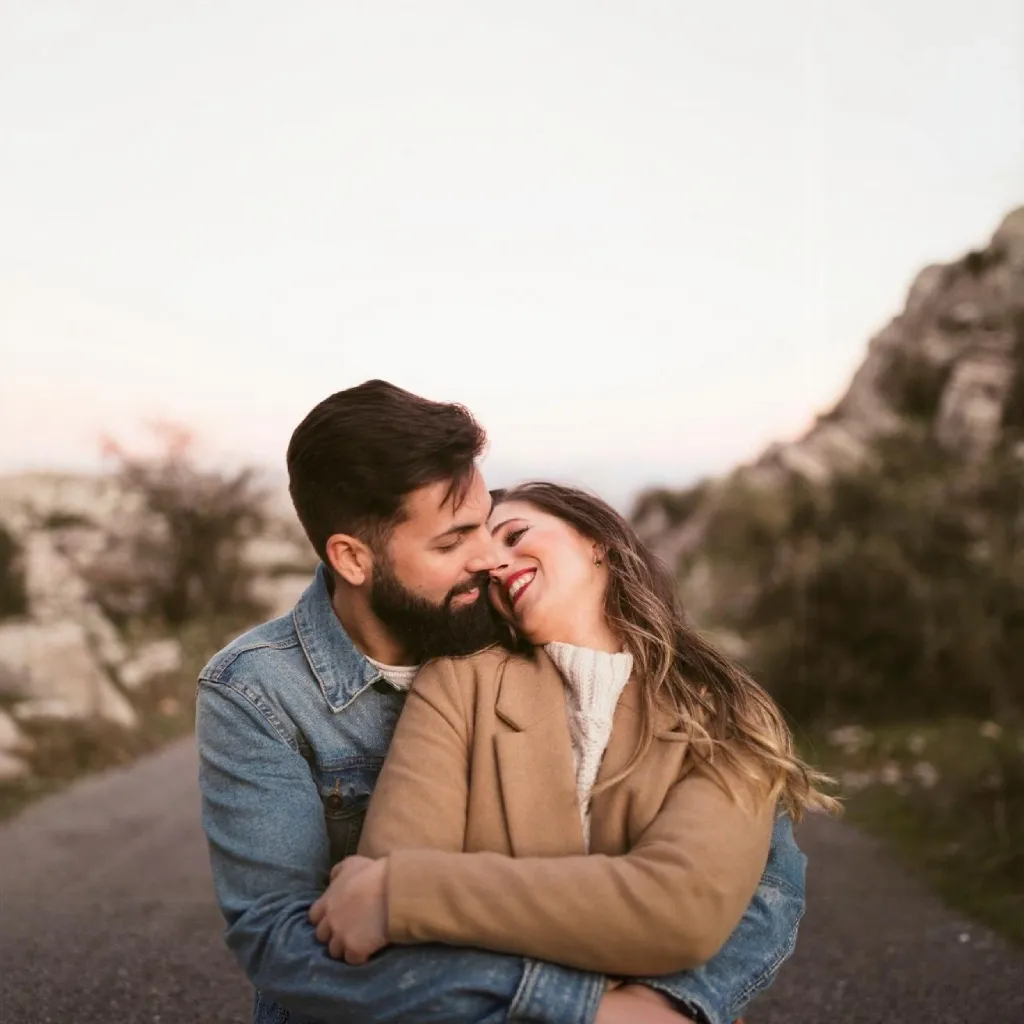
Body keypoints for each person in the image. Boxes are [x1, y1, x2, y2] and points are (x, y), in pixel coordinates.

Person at [196, 380, 815, 1024]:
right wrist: (597, 1009)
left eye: (501, 528)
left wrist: (678, 1003)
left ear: (598, 537)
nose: (491, 558)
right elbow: (288, 943)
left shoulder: (501, 628)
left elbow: (750, 877)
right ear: (353, 558)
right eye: (453, 541)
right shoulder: (268, 690)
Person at [309, 481, 838, 1023]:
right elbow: (379, 914)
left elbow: (681, 909)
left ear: (596, 541)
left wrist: (407, 896)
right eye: (482, 560)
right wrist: (620, 1005)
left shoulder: (727, 713)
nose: (496, 563)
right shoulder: (458, 685)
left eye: (515, 535)